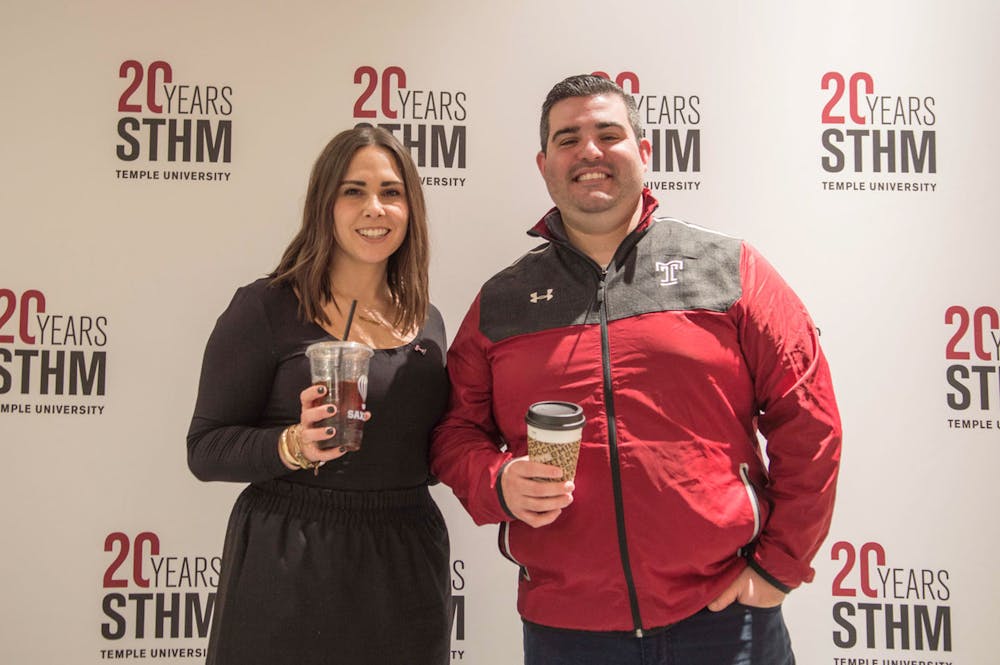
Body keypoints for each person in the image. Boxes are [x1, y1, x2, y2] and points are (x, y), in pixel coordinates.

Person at [430, 74, 842, 664]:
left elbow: (809, 418)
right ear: (544, 166)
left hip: (725, 621)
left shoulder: (728, 269)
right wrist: (496, 481)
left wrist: (780, 565)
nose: (589, 151)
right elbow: (454, 432)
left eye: (608, 134)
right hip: (567, 632)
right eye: (568, 139)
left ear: (644, 152)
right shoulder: (503, 301)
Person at [187, 126, 452, 665]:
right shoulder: (266, 308)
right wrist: (292, 445)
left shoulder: (428, 321)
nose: (374, 208)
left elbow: (430, 452)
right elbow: (205, 450)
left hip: (407, 560)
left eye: (391, 191)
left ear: (411, 208)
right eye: (353, 191)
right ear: (324, 204)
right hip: (290, 555)